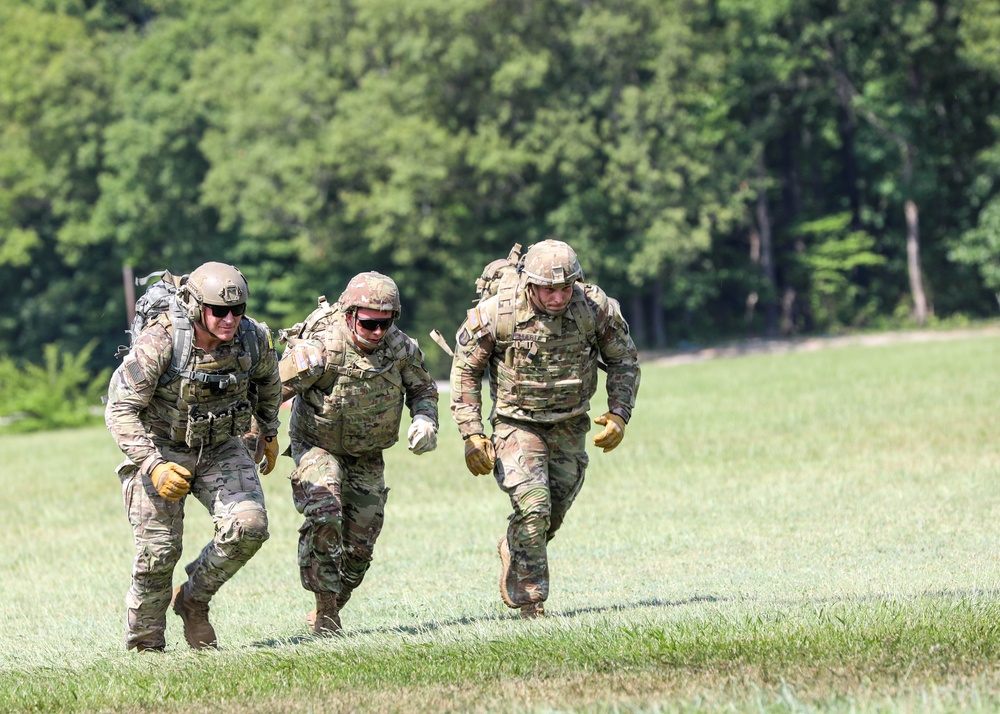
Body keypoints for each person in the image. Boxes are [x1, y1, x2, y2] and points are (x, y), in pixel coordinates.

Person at [450, 239, 640, 619]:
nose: (558, 297)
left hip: (571, 422)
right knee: (533, 506)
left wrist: (619, 413)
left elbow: (624, 360)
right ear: (529, 285)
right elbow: (465, 370)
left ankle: (513, 546)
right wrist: (472, 433)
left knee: (552, 511)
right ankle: (531, 602)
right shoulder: (497, 313)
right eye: (549, 289)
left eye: (566, 287)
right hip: (516, 422)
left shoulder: (594, 308)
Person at [105, 261, 282, 652]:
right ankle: (146, 646)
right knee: (158, 553)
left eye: (238, 310)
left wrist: (269, 431)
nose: (230, 319)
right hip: (159, 447)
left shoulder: (252, 337)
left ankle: (193, 600)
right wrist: (152, 465)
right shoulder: (162, 340)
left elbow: (269, 379)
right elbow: (119, 409)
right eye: (220, 311)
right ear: (195, 306)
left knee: (249, 527)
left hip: (220, 446)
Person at [278, 271, 439, 635]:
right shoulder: (322, 348)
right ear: (349, 315)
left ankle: (334, 599)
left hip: (366, 453)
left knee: (359, 548)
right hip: (316, 443)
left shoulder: (400, 350)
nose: (378, 332)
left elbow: (423, 390)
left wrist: (426, 420)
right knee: (326, 507)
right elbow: (271, 392)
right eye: (369, 323)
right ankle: (325, 610)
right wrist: (260, 435)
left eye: (386, 323)